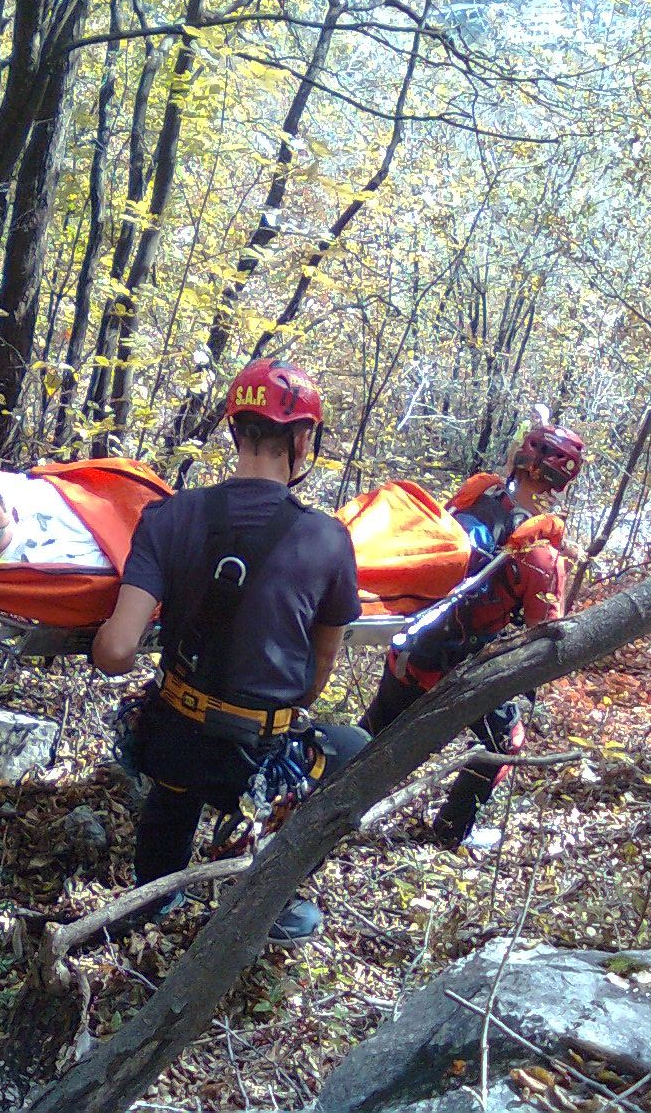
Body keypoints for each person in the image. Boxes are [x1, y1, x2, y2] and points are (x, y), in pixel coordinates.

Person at [91, 359, 370, 945]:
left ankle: (155, 894)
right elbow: (315, 674)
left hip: (171, 743)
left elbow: (117, 651)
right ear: (300, 441)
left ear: (235, 430)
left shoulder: (168, 517)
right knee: (358, 750)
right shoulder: (327, 539)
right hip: (255, 757)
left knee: (174, 760)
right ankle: (266, 892)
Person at [360, 421, 584, 848]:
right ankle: (449, 835)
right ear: (561, 481)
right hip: (456, 672)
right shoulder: (542, 555)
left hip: (411, 645)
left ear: (520, 459)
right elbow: (544, 632)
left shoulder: (476, 494)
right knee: (507, 741)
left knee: (371, 737)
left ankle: (314, 801)